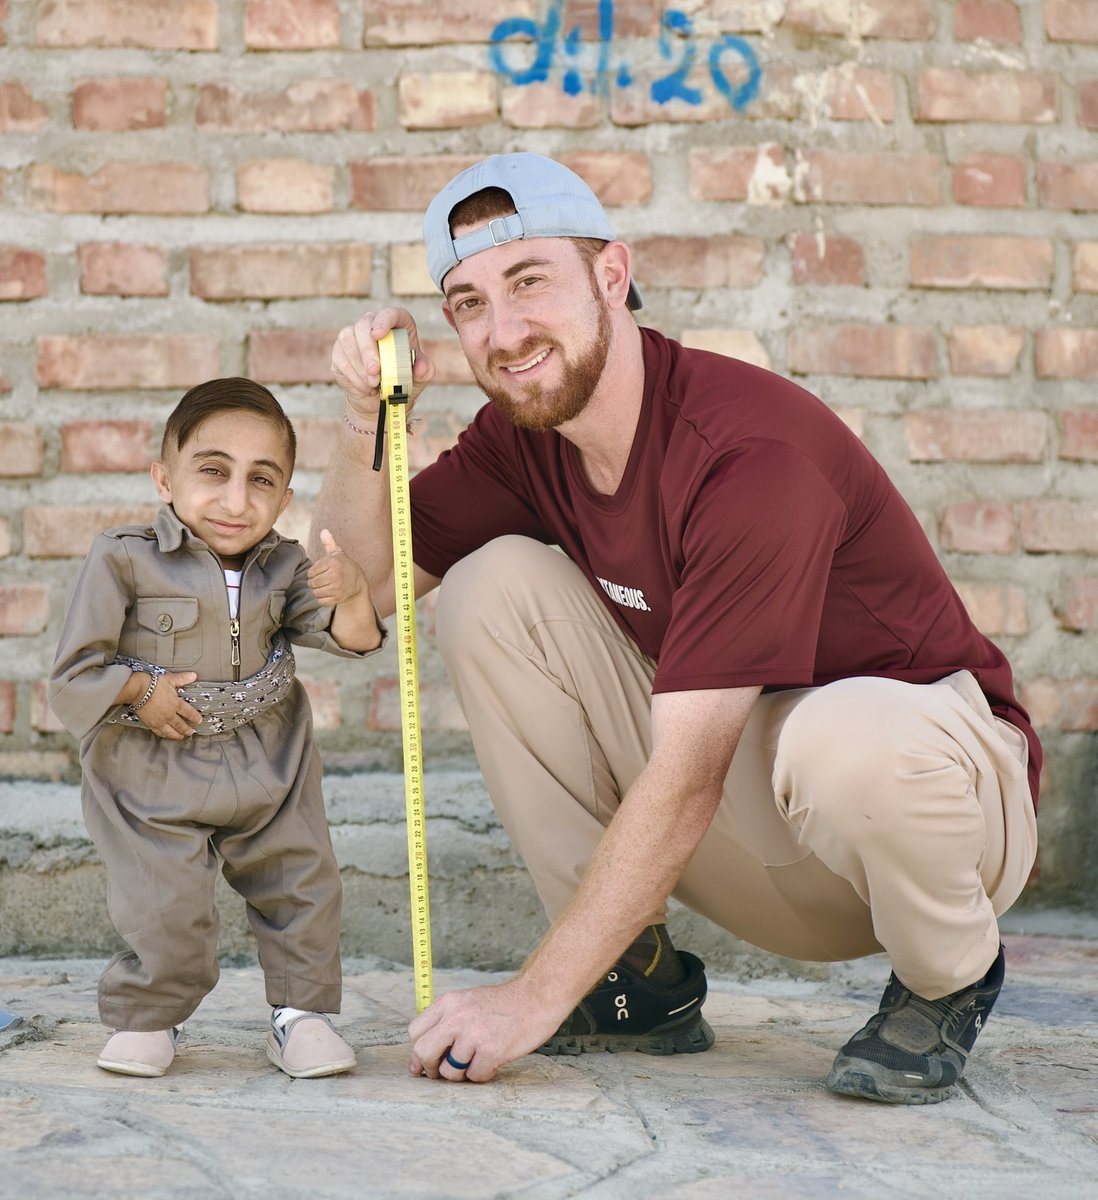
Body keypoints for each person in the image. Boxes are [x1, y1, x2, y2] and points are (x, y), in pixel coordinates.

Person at [313, 153, 1041, 1105]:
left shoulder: (750, 454)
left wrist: (530, 998)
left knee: (843, 736)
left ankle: (948, 978)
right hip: (762, 817)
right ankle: (632, 980)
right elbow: (355, 590)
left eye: (530, 281)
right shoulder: (526, 441)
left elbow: (689, 773)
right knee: (490, 583)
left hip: (931, 817)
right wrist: (368, 415)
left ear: (612, 276)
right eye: (469, 303)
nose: (504, 330)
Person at [50, 378, 386, 1080]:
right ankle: (152, 1015)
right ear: (163, 479)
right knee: (164, 905)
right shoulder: (122, 558)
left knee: (302, 885)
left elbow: (352, 641)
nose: (237, 501)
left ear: (285, 497)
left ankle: (301, 1018)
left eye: (262, 480)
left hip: (271, 756)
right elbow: (72, 677)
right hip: (152, 767)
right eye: (213, 471)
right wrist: (140, 690)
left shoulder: (287, 565)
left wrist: (353, 592)